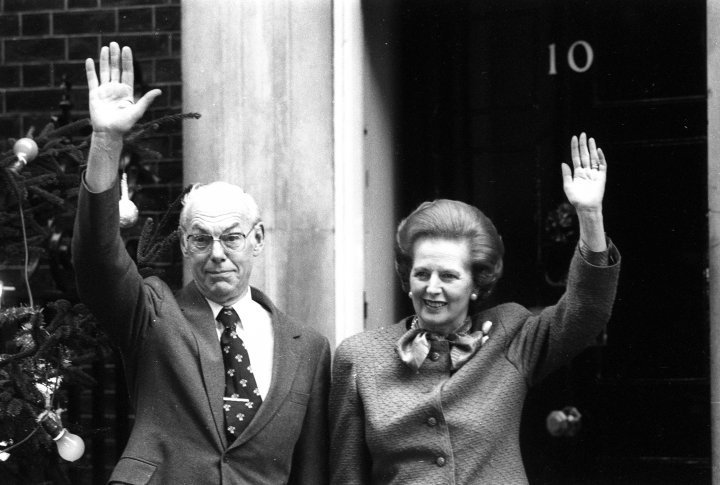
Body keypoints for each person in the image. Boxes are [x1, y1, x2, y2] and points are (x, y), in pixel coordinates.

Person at [72, 42, 330, 484]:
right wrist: (106, 140)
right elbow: (97, 259)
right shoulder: (153, 315)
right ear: (185, 246)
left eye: (231, 237)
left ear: (258, 239)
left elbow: (311, 471)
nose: (217, 254)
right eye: (200, 239)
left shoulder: (309, 349)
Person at [329, 133, 620, 484]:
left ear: (476, 284)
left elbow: (586, 312)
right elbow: (346, 476)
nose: (432, 287)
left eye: (449, 276)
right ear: (408, 278)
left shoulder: (510, 335)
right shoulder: (359, 358)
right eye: (422, 273)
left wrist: (590, 217)